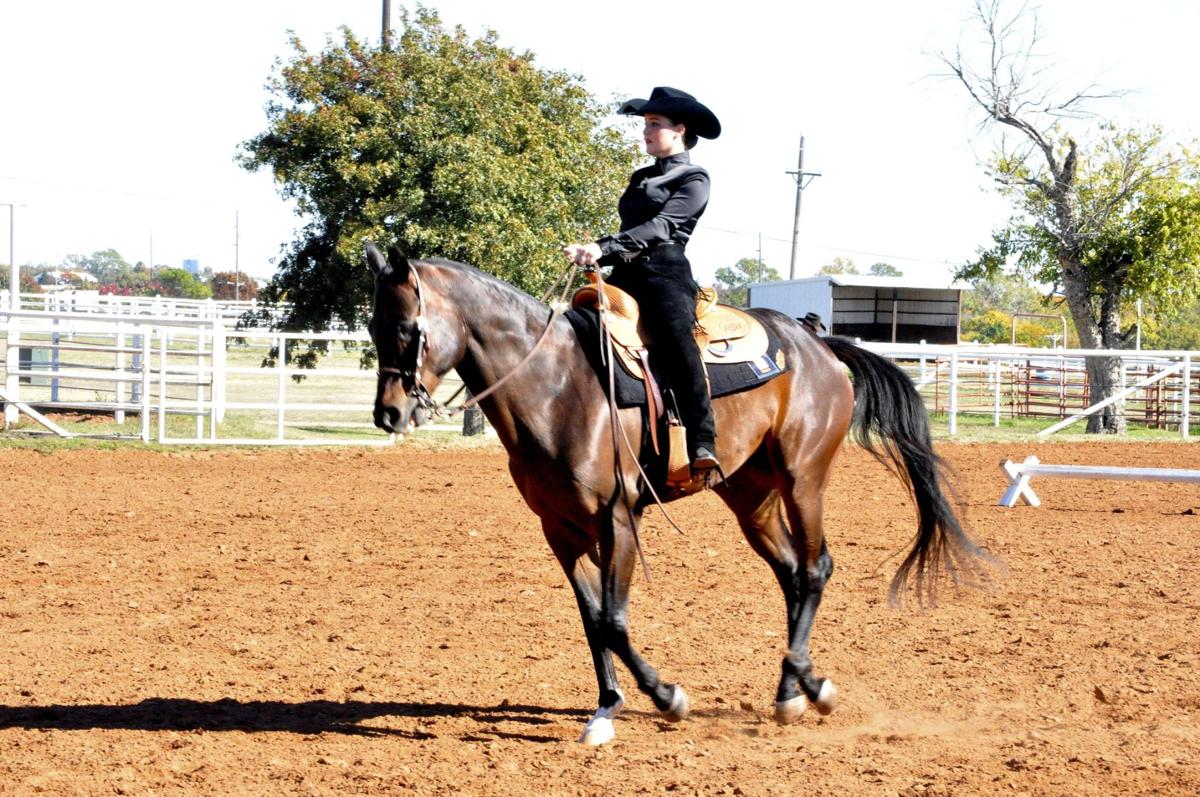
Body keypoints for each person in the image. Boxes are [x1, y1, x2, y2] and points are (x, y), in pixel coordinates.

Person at [564, 86, 722, 474]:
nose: (646, 132)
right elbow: (629, 228)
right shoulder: (640, 176)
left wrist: (603, 246)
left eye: (655, 124)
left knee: (677, 341)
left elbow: (663, 226)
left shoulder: (695, 177)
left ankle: (703, 439)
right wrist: (596, 252)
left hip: (665, 274)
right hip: (625, 273)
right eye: (645, 124)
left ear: (679, 130)